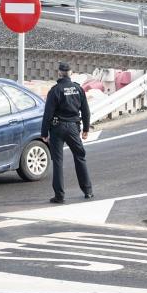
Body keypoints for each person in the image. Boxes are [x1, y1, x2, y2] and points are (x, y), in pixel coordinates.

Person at [41, 62, 93, 204]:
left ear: (59, 73)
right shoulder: (78, 89)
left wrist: (44, 132)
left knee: (57, 161)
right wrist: (86, 129)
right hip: (73, 128)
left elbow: (48, 114)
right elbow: (86, 111)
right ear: (71, 73)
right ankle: (88, 191)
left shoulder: (55, 90)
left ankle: (59, 195)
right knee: (80, 156)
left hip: (57, 128)